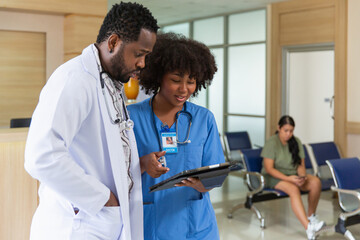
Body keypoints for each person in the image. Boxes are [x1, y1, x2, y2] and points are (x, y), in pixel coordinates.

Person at [24, 2, 158, 240]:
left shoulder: (109, 83)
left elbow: (102, 150)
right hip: (78, 224)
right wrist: (103, 199)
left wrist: (136, 164)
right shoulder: (74, 79)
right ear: (114, 42)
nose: (142, 64)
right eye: (139, 54)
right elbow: (41, 156)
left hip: (101, 222)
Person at [127, 32, 223, 240]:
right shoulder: (132, 118)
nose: (184, 89)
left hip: (197, 225)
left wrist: (204, 183)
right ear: (158, 76)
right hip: (152, 223)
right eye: (176, 80)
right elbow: (114, 170)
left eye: (191, 81)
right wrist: (142, 163)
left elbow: (215, 169)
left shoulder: (203, 118)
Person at [261, 115, 325, 240]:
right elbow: (269, 168)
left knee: (316, 182)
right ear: (279, 128)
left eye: (291, 131)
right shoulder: (272, 143)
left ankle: (311, 217)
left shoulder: (296, 141)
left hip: (292, 175)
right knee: (293, 189)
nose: (288, 134)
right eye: (286, 130)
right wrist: (289, 179)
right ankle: (309, 228)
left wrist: (301, 177)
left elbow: (300, 165)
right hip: (273, 176)